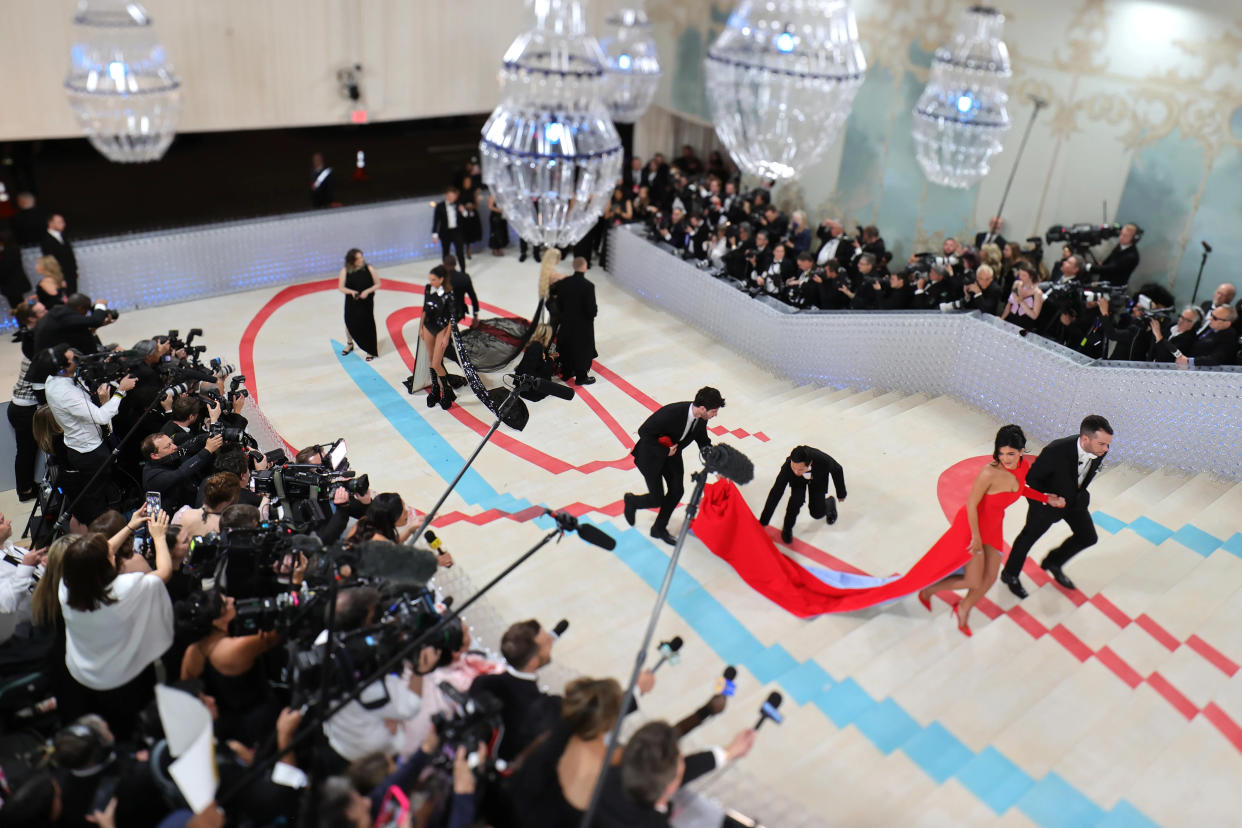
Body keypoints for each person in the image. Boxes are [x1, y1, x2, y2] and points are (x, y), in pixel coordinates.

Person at [909, 426, 1064, 634]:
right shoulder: (988, 473)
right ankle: (930, 590)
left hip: (994, 526)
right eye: (1001, 453)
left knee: (989, 578)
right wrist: (974, 536)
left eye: (1011, 453)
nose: (1005, 458)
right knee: (973, 579)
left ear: (1021, 451)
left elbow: (1019, 490)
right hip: (972, 526)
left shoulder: (1022, 468)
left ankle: (963, 608)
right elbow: (972, 504)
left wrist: (1047, 498)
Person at [58, 511, 174, 738]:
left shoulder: (67, 586)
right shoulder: (126, 589)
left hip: (83, 672)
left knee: (101, 722)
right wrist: (159, 537)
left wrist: (130, 526)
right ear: (103, 566)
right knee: (128, 728)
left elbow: (95, 555)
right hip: (123, 677)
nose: (111, 554)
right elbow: (165, 572)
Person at [1000, 415, 1113, 598]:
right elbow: (1032, 479)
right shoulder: (1056, 450)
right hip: (1047, 504)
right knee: (1027, 538)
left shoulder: (1100, 451)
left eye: (1107, 444)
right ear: (1085, 439)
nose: (1106, 449)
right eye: (1102, 444)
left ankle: (1053, 561)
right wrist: (1046, 500)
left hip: (1075, 501)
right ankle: (1009, 574)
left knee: (1088, 537)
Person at [45, 346, 138, 524]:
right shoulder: (67, 393)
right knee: (101, 498)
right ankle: (108, 529)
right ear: (62, 367)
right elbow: (102, 417)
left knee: (104, 491)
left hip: (82, 445)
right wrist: (121, 391)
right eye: (75, 359)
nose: (80, 359)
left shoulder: (54, 380)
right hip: (91, 452)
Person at [623, 387, 725, 545]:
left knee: (677, 491)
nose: (715, 414)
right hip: (652, 455)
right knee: (656, 499)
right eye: (714, 411)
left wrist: (716, 468)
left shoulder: (701, 420)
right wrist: (664, 450)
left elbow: (703, 442)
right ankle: (632, 501)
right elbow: (644, 431)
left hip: (673, 454)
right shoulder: (671, 412)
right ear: (703, 408)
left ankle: (658, 528)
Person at [468, 618, 558, 762]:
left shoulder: (482, 683)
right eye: (547, 643)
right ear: (532, 662)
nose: (552, 643)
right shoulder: (538, 708)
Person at [759, 446, 847, 544]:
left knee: (817, 513)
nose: (796, 472)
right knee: (796, 501)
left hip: (818, 479)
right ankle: (787, 528)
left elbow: (837, 469)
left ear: (810, 463)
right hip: (798, 482)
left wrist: (841, 493)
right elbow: (776, 492)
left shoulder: (822, 460)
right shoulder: (788, 468)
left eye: (800, 469)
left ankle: (829, 502)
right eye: (794, 467)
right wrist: (763, 521)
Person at [552, 257, 598, 385]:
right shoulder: (588, 286)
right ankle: (581, 377)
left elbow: (559, 304)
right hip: (582, 326)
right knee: (582, 350)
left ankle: (566, 373)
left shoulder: (564, 283)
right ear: (584, 267)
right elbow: (591, 310)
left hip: (566, 323)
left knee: (567, 346)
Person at [419, 265, 456, 410]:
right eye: (430, 279)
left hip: (442, 328)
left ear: (441, 279)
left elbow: (452, 317)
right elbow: (424, 309)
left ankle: (446, 391)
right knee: (430, 361)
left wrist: (447, 336)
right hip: (429, 326)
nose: (431, 282)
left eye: (434, 279)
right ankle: (435, 390)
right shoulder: (428, 288)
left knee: (436, 363)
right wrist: (421, 327)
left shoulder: (449, 294)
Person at [337, 248, 379, 360]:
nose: (361, 259)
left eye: (361, 257)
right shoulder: (345, 270)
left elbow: (377, 284)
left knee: (367, 324)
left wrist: (367, 291)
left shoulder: (369, 268)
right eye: (358, 258)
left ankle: (370, 349)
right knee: (349, 322)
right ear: (352, 260)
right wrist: (351, 292)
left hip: (366, 301)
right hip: (352, 301)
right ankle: (350, 343)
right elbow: (341, 287)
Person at [41, 213, 79, 294]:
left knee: (74, 295)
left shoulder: (63, 236)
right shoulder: (46, 240)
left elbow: (69, 255)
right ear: (50, 223)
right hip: (60, 276)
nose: (63, 224)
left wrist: (74, 270)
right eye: (59, 222)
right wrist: (59, 278)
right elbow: (51, 261)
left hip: (70, 273)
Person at [1001, 262, 1044, 331]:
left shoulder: (1037, 293)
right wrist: (1002, 318)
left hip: (1024, 325)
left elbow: (1034, 316)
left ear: (1031, 276)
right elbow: (1009, 304)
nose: (1020, 277)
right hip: (1010, 320)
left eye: (1024, 275)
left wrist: (1021, 302)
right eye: (1020, 274)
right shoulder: (1016, 284)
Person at [431, 187, 467, 266]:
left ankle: (463, 272)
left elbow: (466, 217)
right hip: (445, 232)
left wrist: (463, 211)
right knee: (446, 252)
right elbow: (436, 221)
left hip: (457, 231)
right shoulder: (440, 206)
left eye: (453, 196)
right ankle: (446, 271)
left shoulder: (459, 204)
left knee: (460, 252)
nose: (451, 198)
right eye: (450, 196)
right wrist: (434, 235)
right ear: (446, 196)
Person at [443, 254, 479, 323]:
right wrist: (475, 315)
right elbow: (473, 297)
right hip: (459, 313)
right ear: (455, 264)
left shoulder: (442, 279)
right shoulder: (465, 277)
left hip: (445, 314)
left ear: (444, 264)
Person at [488, 192, 509, 256]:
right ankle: (495, 248)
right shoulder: (493, 195)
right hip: (495, 216)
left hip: (502, 216)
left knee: (501, 232)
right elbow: (490, 206)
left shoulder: (503, 195)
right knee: (495, 233)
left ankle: (499, 247)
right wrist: (501, 211)